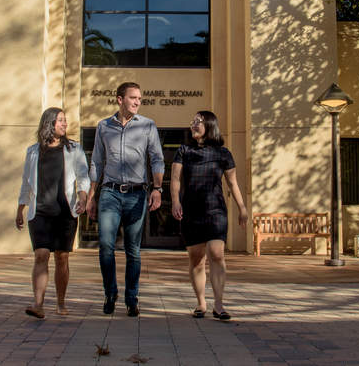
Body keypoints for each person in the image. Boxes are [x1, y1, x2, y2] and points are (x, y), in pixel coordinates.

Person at [86, 82, 164, 317]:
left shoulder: (148, 126)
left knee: (133, 250)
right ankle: (110, 293)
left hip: (137, 193)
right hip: (109, 193)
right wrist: (91, 197)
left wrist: (158, 188)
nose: (138, 102)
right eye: (133, 98)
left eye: (140, 98)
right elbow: (97, 163)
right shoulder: (103, 127)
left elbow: (157, 159)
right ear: (120, 100)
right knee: (106, 247)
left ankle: (132, 297)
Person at [170, 110, 248, 321]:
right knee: (196, 259)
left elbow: (232, 183)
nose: (193, 124)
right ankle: (201, 303)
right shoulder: (184, 150)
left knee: (217, 254)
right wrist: (176, 202)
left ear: (210, 126)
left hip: (215, 210)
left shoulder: (224, 153)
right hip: (191, 210)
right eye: (193, 121)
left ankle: (219, 305)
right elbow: (175, 179)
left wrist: (242, 207)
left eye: (199, 121)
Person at [16, 107, 90, 319]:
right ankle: (38, 304)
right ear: (49, 123)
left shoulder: (74, 149)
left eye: (65, 121)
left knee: (62, 257)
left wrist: (83, 197)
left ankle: (60, 302)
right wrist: (20, 208)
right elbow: (26, 182)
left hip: (65, 211)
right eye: (60, 121)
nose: (65, 124)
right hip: (39, 212)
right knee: (41, 255)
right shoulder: (32, 151)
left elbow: (83, 176)